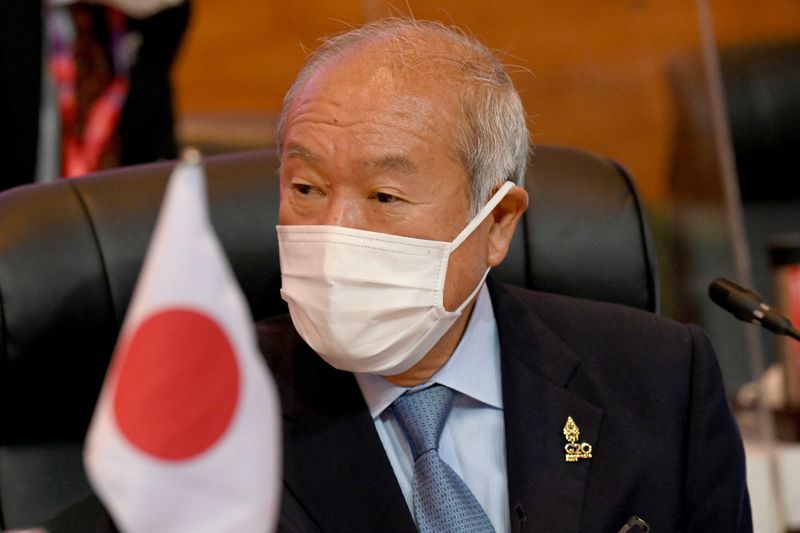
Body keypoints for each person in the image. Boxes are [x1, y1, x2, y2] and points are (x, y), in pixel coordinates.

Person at [259, 18, 752, 532]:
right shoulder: (211, 406)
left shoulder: (663, 379)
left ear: (497, 223)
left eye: (384, 196)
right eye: (305, 188)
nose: (335, 230)